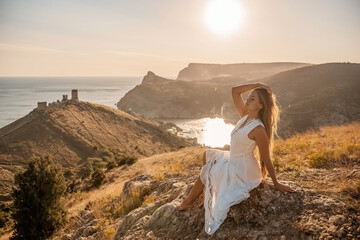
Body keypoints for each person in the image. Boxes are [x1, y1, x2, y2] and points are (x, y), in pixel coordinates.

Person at [175, 82, 294, 235]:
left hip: (242, 170)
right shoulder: (245, 116)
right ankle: (207, 191)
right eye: (249, 97)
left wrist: (276, 183)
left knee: (211, 169)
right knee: (207, 154)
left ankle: (188, 202)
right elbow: (235, 91)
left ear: (260, 106)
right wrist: (257, 85)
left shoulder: (258, 129)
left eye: (252, 99)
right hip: (233, 159)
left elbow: (266, 158)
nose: (247, 99)